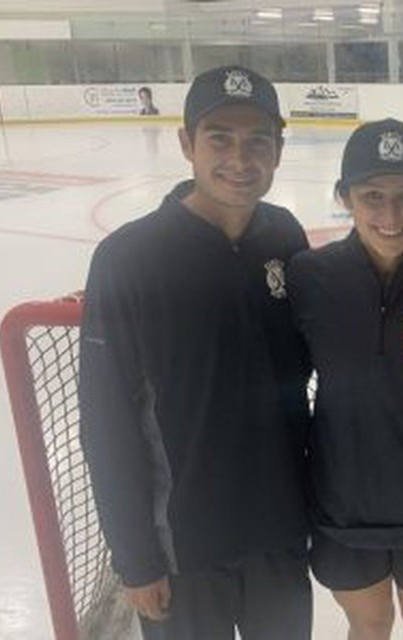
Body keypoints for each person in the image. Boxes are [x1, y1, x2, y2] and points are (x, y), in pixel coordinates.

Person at [79, 65, 312, 640]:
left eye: (259, 140)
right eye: (219, 139)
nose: (241, 158)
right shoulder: (129, 258)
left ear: (279, 151)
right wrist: (135, 558)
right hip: (182, 550)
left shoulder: (284, 237)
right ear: (186, 144)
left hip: (278, 539)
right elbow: (105, 422)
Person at [287, 119, 403, 640]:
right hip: (342, 503)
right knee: (368, 624)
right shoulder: (308, 277)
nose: (390, 215)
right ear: (345, 197)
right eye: (372, 195)